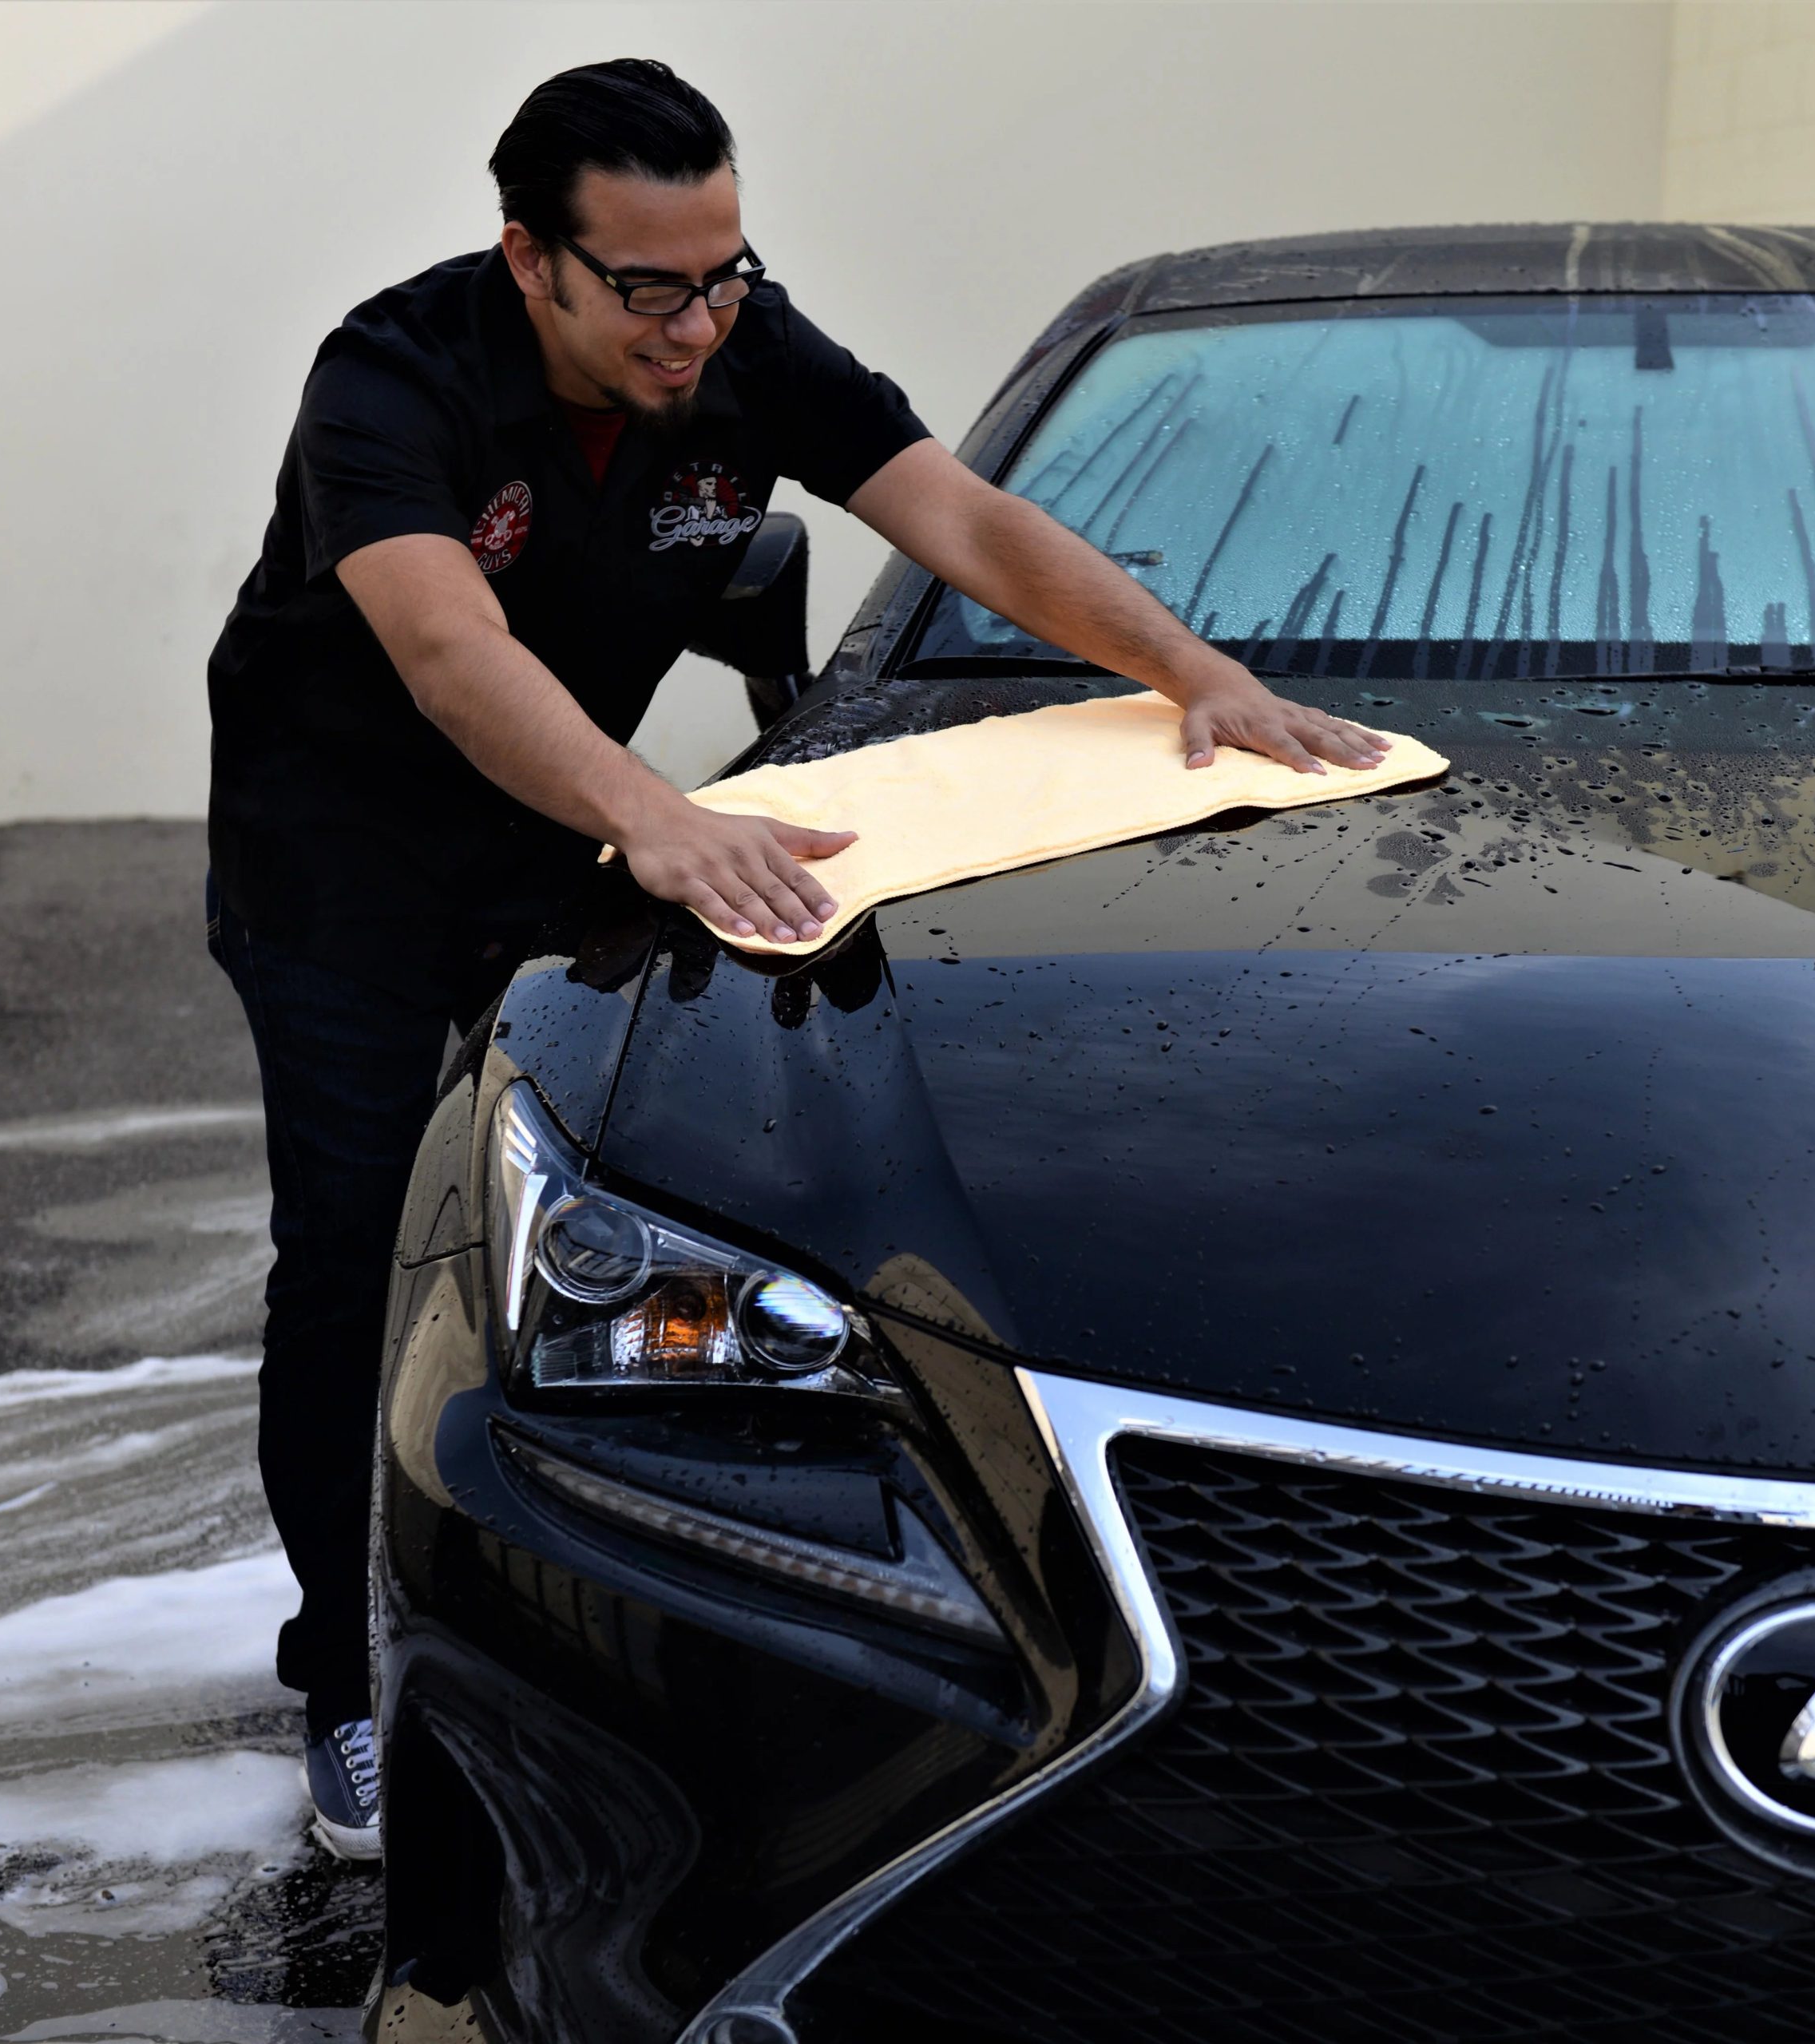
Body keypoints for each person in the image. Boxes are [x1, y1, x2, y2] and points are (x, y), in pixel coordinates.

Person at [204, 56, 1389, 1860]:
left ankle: (579, 1616)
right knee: (355, 1251)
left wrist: (1192, 672)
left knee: (591, 1227)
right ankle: (346, 1680)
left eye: (724, 274)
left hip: (558, 831)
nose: (696, 327)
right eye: (648, 288)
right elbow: (449, 651)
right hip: (339, 860)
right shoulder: (390, 374)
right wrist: (654, 814)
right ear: (530, 258)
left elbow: (964, 522)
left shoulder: (747, 346)